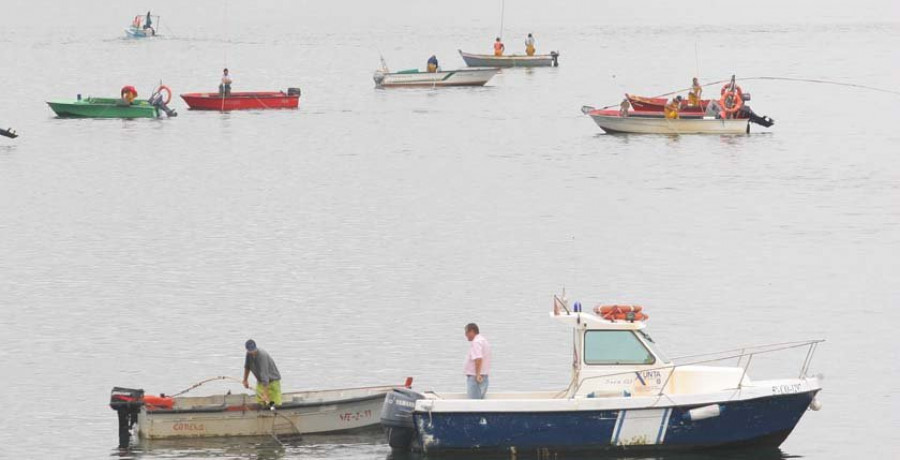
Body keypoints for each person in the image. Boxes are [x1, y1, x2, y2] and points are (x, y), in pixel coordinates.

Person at [242, 339, 283, 406]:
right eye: (250, 351)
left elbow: (265, 376)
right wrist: (245, 380)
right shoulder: (248, 354)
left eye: (253, 350)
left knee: (273, 405)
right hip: (261, 382)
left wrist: (265, 394)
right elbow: (247, 366)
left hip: (272, 382)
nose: (252, 352)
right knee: (260, 404)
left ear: (256, 348)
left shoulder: (262, 355)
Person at [464, 323, 491, 399]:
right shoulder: (483, 340)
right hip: (484, 376)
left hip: (475, 378)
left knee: (474, 405)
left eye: (466, 333)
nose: (466, 335)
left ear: (472, 331)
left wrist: (478, 374)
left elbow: (478, 359)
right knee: (480, 404)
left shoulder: (476, 342)